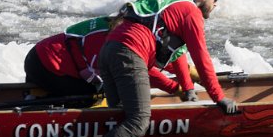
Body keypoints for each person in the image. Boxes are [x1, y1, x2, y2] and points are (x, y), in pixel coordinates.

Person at [91, 0, 239, 137]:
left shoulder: (169, 0)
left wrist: (188, 88)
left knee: (118, 115)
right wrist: (219, 98)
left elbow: (177, 53)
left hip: (109, 50)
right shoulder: (191, 12)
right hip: (130, 53)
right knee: (137, 122)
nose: (216, 3)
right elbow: (201, 57)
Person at [24, 15, 198, 102]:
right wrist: (177, 89)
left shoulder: (136, 30)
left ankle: (38, 95)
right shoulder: (120, 40)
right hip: (45, 65)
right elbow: (140, 71)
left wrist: (194, 74)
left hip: (44, 56)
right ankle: (43, 104)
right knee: (94, 95)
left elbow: (159, 59)